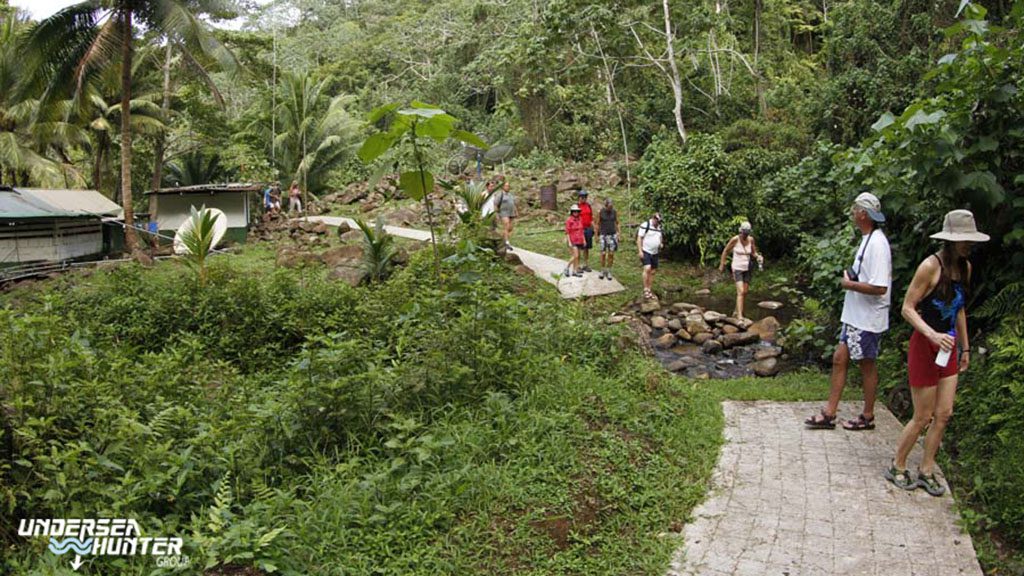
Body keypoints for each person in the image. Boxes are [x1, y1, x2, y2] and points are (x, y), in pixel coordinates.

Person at [884, 210, 988, 495]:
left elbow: (959, 308)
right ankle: (898, 464)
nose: (968, 244)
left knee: (944, 414)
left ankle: (927, 468)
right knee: (923, 415)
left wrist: (964, 347)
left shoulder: (965, 268)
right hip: (925, 346)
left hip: (949, 347)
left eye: (970, 239)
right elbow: (906, 308)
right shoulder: (930, 266)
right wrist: (931, 334)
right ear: (950, 240)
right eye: (963, 239)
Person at [805, 192, 892, 431]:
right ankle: (829, 412)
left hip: (867, 318)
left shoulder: (878, 244)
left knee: (866, 364)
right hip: (854, 316)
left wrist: (849, 284)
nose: (853, 214)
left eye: (855, 210)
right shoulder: (868, 238)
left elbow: (880, 286)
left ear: (863, 214)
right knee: (839, 358)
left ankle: (867, 416)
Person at [718, 221, 760, 319]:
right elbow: (725, 251)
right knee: (740, 291)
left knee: (745, 292)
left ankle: (737, 311)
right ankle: (740, 316)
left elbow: (753, 253)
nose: (745, 235)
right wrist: (722, 264)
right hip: (737, 268)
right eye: (744, 232)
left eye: (747, 233)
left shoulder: (751, 240)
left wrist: (758, 257)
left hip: (747, 268)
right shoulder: (735, 239)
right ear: (741, 231)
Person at [637, 212, 664, 300]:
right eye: (657, 221)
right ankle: (645, 289)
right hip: (646, 250)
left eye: (659, 222)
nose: (658, 223)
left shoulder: (659, 227)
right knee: (647, 268)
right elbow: (639, 238)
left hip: (655, 252)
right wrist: (640, 251)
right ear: (654, 219)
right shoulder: (645, 225)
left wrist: (660, 243)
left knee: (653, 271)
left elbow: (660, 237)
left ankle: (649, 288)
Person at [595, 197, 620, 280]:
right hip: (603, 234)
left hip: (612, 235)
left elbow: (617, 223)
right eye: (609, 206)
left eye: (611, 206)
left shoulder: (614, 212)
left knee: (611, 254)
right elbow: (597, 224)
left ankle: (609, 270)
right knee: (603, 253)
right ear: (606, 206)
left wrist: (618, 233)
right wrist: (596, 235)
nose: (610, 208)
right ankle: (602, 270)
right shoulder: (600, 212)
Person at [495, 180, 518, 251]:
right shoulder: (500, 194)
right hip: (503, 213)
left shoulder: (510, 195)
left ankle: (503, 239)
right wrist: (496, 214)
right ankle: (507, 242)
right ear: (502, 187)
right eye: (506, 186)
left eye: (508, 186)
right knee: (506, 226)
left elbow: (513, 204)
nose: (508, 187)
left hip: (511, 213)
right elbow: (496, 204)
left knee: (510, 228)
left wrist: (516, 211)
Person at [564, 204, 585, 277]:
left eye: (577, 211)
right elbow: (567, 232)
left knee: (577, 256)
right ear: (572, 212)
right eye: (574, 211)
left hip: (579, 240)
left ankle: (574, 271)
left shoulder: (580, 219)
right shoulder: (569, 220)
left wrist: (584, 240)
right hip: (572, 240)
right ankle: (567, 268)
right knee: (575, 255)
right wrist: (569, 241)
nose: (576, 213)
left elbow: (582, 230)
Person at [577, 190, 594, 272]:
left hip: (588, 228)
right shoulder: (576, 207)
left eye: (585, 197)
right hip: (579, 230)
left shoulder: (588, 206)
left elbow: (591, 218)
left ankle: (586, 264)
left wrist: (593, 228)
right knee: (579, 247)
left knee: (587, 248)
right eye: (582, 197)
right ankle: (578, 265)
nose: (584, 199)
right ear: (579, 197)